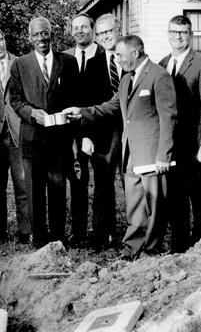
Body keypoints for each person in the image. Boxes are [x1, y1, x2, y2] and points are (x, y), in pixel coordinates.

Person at [64, 35, 177, 260]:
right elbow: (111, 106)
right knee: (134, 203)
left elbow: (169, 118)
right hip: (131, 153)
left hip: (152, 154)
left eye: (121, 55)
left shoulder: (158, 76)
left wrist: (164, 154)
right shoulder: (126, 80)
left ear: (135, 53)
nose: (117, 59)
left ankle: (151, 249)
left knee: (154, 204)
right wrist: (83, 112)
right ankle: (132, 247)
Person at [9, 16, 79, 248]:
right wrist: (31, 113)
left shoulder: (67, 62)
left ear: (52, 34)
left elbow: (73, 97)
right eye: (36, 35)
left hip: (59, 139)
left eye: (45, 33)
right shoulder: (20, 64)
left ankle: (58, 237)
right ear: (29, 38)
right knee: (34, 190)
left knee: (58, 188)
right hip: (32, 139)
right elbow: (15, 100)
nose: (41, 38)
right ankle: (39, 238)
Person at [159, 15, 201, 252]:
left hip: (194, 144)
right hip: (173, 144)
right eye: (174, 32)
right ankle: (179, 246)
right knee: (176, 197)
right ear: (168, 34)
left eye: (183, 32)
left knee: (198, 198)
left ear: (190, 35)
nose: (178, 37)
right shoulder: (163, 63)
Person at [0, 25, 31, 244]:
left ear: (4, 38)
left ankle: (25, 231)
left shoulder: (21, 63)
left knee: (22, 185)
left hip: (18, 131)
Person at [81, 13, 124, 251]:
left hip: (131, 131)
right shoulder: (93, 64)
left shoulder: (131, 59)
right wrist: (86, 135)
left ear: (119, 30)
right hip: (102, 133)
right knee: (103, 186)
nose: (106, 36)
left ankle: (138, 233)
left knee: (132, 183)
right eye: (101, 33)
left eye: (110, 31)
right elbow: (86, 103)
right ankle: (102, 235)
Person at [62, 13, 103, 247]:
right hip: (73, 130)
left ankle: (100, 232)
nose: (79, 31)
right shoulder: (65, 57)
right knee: (77, 180)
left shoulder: (103, 55)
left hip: (98, 128)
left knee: (101, 183)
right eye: (75, 28)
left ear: (92, 29)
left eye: (84, 27)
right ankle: (78, 232)